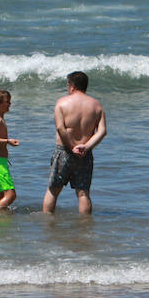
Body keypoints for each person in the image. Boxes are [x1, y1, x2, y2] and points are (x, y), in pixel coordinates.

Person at [42, 71, 107, 214]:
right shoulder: (96, 106)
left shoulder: (62, 103)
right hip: (85, 154)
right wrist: (86, 146)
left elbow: (60, 128)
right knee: (83, 193)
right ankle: (85, 227)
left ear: (71, 86)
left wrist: (72, 147)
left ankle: (47, 225)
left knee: (53, 190)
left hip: (64, 151)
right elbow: (102, 131)